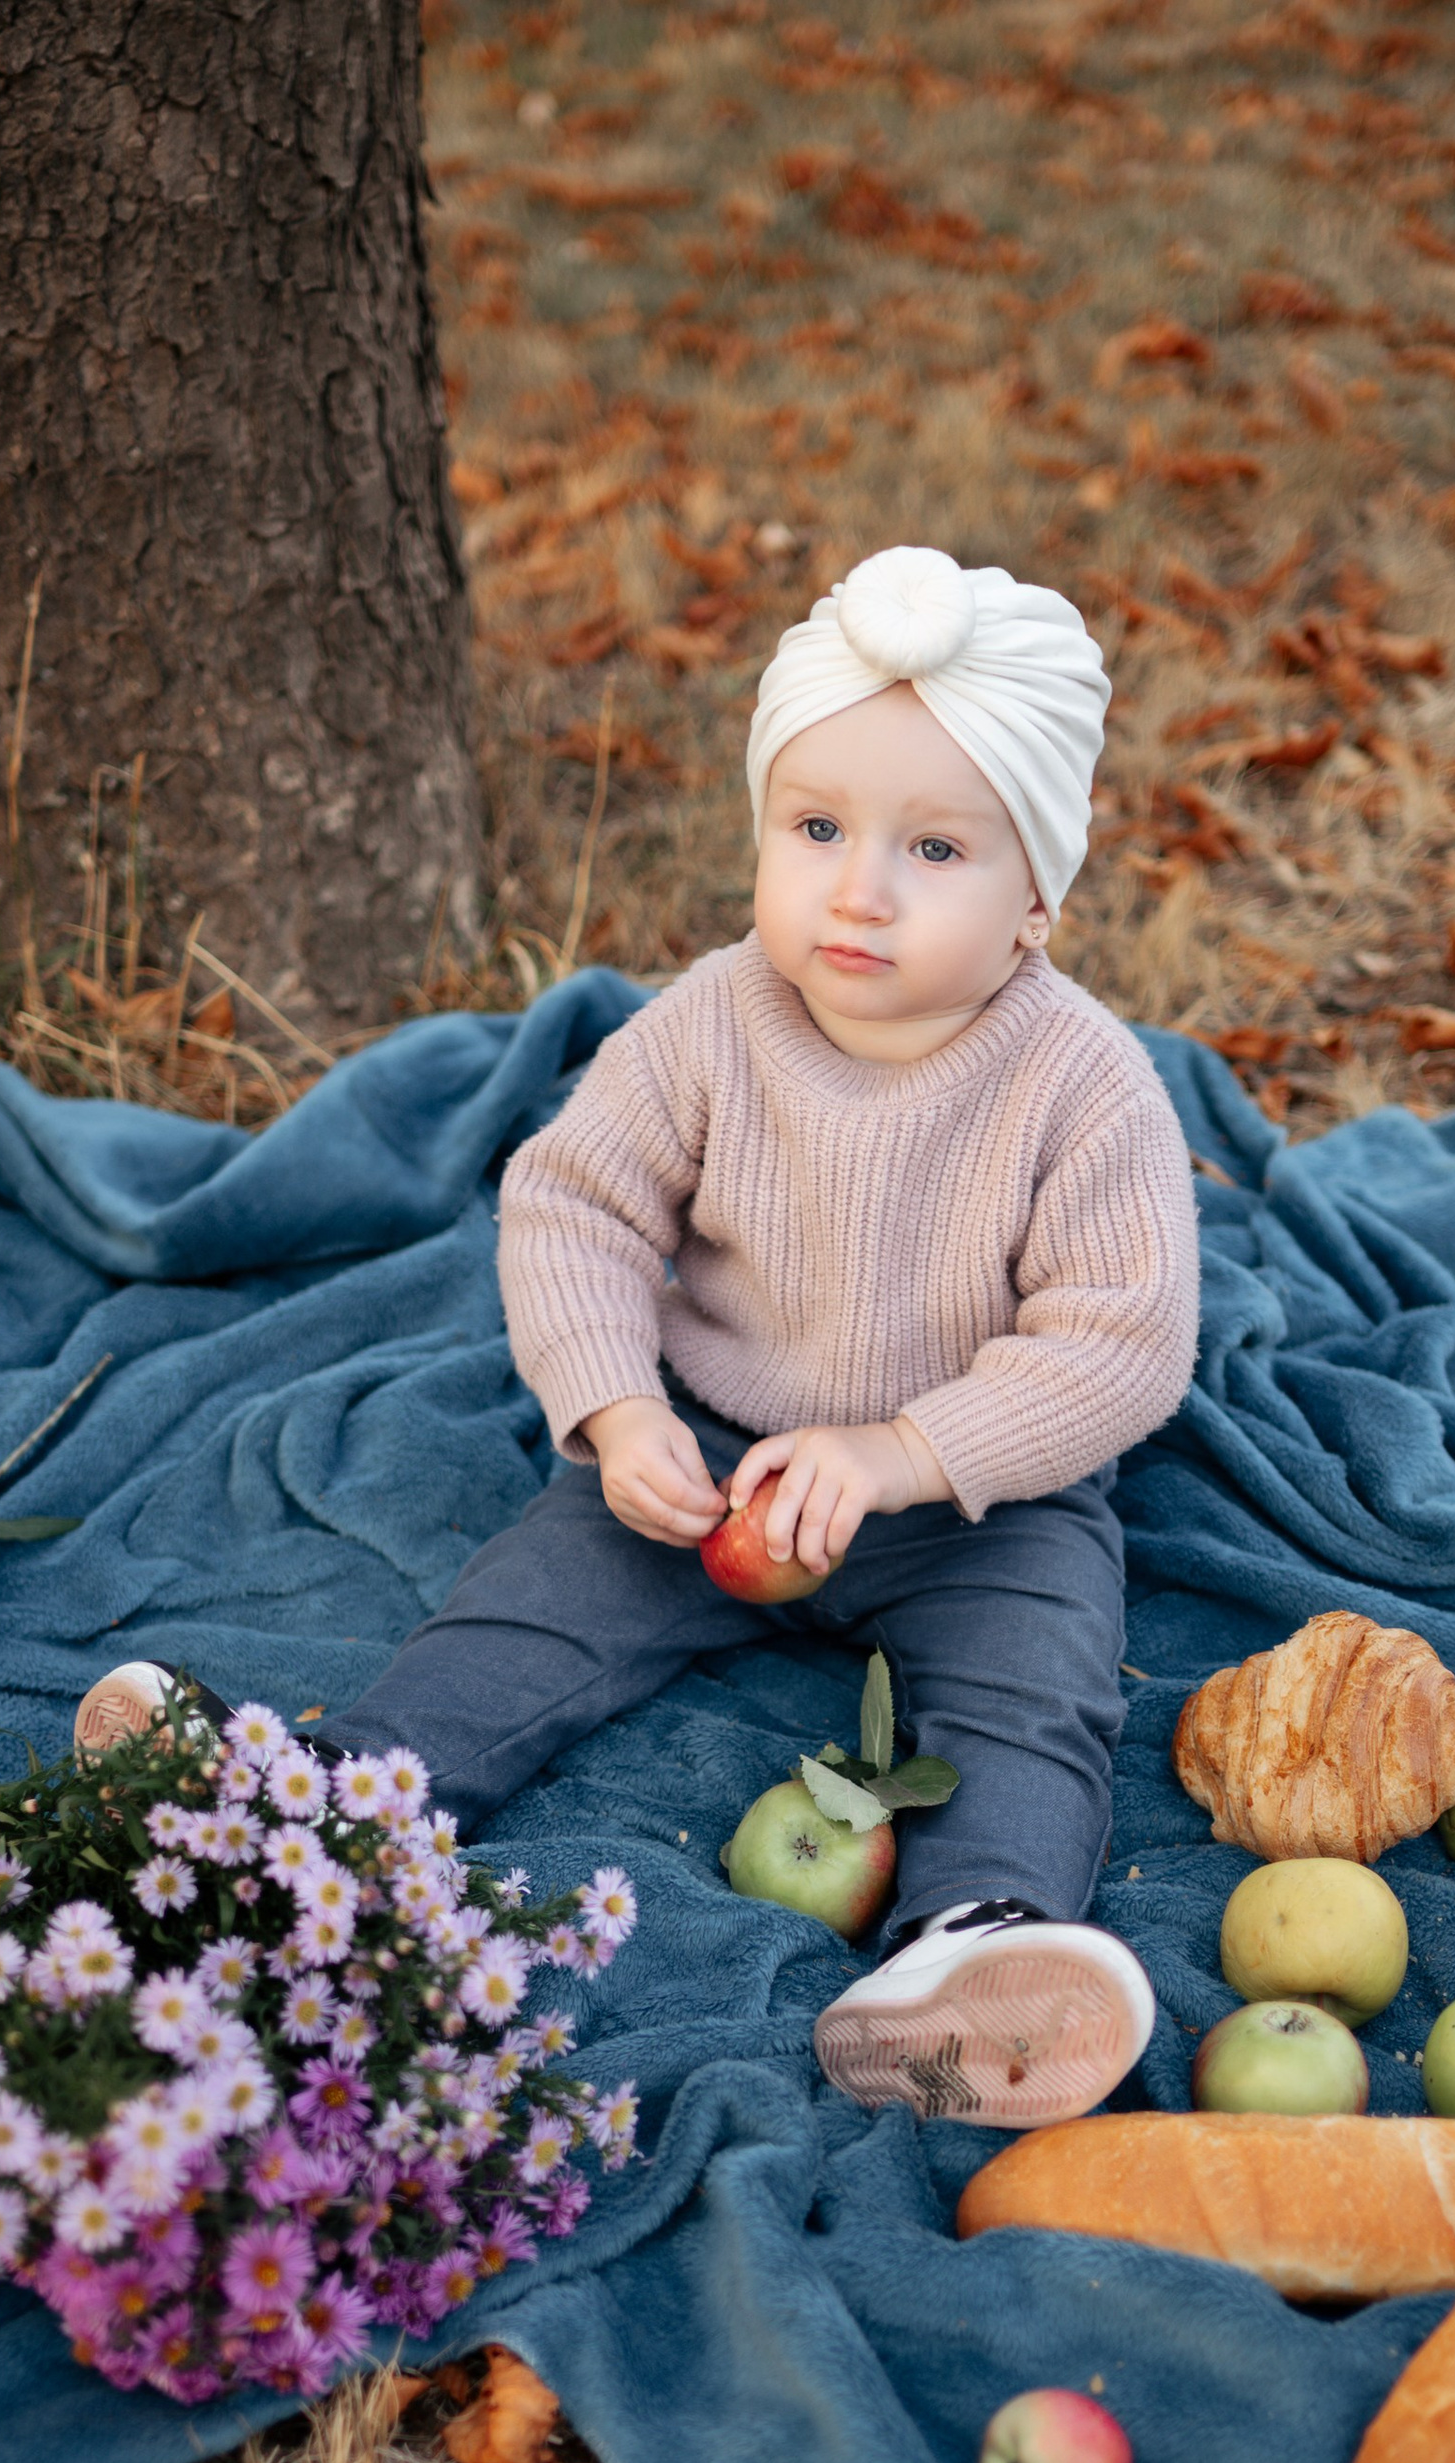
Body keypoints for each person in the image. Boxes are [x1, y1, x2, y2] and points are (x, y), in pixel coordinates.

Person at [79, 545, 1201, 2125]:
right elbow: (574, 1209)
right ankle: (326, 1819)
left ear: (1040, 898)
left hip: (973, 1494)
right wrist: (615, 1413)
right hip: (714, 1456)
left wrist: (905, 1454)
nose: (859, 889)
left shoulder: (1082, 1087)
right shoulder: (709, 1022)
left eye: (934, 848)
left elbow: (1124, 1339)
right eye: (815, 830)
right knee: (521, 1619)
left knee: (1040, 1692)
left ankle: (974, 1952)